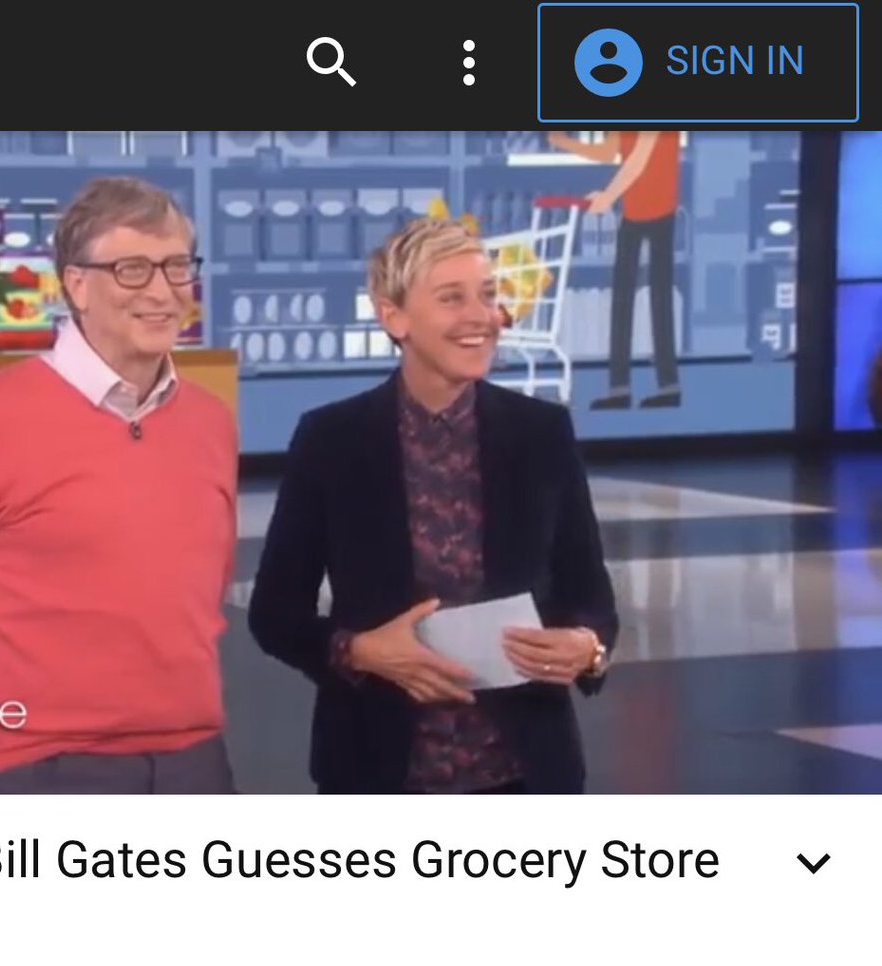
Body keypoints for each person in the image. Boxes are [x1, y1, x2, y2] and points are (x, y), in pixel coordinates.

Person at [0, 177, 238, 793]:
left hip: (195, 763)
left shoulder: (210, 423)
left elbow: (198, 598)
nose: (162, 291)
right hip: (35, 766)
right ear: (76, 284)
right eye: (132, 269)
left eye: (177, 266)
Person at [247, 218, 618, 794]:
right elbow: (274, 613)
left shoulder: (542, 433)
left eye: (488, 295)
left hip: (527, 777)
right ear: (393, 316)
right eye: (452, 298)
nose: (481, 316)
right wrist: (358, 651)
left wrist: (587, 650)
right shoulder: (332, 440)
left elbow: (590, 598)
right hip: (376, 773)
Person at [547, 130, 682, 410]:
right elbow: (609, 153)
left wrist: (608, 196)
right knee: (621, 299)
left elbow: (638, 160)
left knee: (660, 297)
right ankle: (619, 387)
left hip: (660, 210)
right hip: (633, 212)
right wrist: (564, 142)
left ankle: (668, 385)